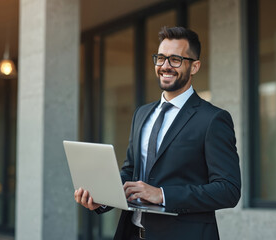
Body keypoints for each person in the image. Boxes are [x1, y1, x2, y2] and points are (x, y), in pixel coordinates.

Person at [74, 26, 241, 240]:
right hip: (132, 234)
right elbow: (131, 172)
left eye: (175, 60)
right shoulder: (142, 114)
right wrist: (104, 197)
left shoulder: (213, 119)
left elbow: (228, 190)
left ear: (195, 67)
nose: (165, 66)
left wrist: (162, 194)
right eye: (160, 58)